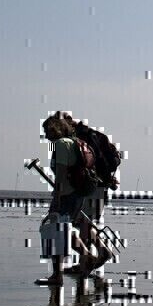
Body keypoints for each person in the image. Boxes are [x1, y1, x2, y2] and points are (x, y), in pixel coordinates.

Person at [38, 114, 93, 285]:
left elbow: (61, 174)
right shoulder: (74, 142)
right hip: (77, 194)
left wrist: (57, 196)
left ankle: (57, 276)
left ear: (56, 128)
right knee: (65, 230)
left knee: (55, 232)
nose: (46, 135)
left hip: (66, 194)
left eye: (47, 130)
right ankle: (85, 254)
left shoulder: (62, 145)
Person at [60, 113, 117, 274]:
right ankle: (89, 259)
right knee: (83, 223)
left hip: (86, 187)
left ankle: (92, 256)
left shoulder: (77, 139)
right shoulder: (93, 135)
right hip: (98, 186)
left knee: (67, 224)